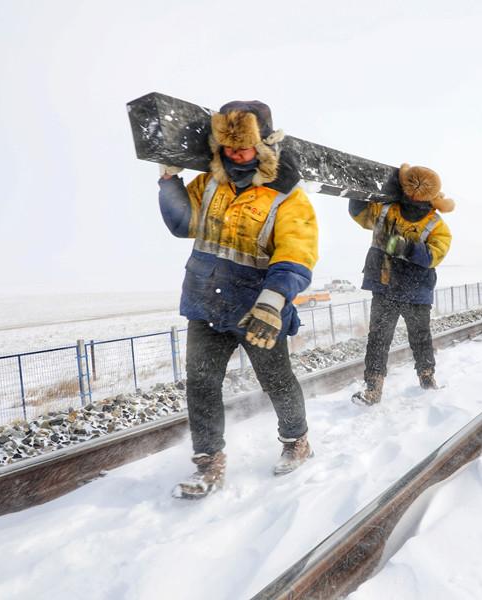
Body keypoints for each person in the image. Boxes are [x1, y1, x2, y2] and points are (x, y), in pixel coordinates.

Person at [156, 100, 319, 499]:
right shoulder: (210, 183)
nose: (234, 156)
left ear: (262, 147)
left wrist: (273, 302)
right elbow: (184, 224)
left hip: (256, 308)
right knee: (201, 384)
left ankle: (297, 440)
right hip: (205, 303)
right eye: (227, 148)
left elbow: (296, 253)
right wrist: (169, 182)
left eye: (242, 148)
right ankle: (209, 463)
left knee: (276, 380)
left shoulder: (287, 198)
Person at [349, 164, 453, 405]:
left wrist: (401, 246)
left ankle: (423, 379)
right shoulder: (387, 210)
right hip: (389, 287)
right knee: (388, 338)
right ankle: (377, 387)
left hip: (410, 289)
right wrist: (362, 188)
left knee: (408, 337)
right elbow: (357, 209)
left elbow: (432, 256)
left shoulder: (435, 224)